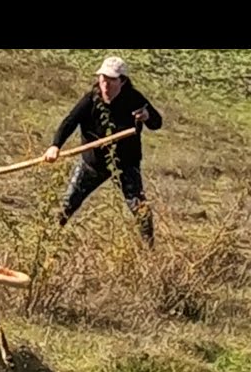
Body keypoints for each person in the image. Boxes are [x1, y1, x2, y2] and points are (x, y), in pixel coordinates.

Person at [43, 56, 163, 248]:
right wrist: (55, 146)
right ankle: (46, 243)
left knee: (140, 210)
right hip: (93, 164)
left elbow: (157, 123)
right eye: (103, 78)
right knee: (67, 204)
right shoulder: (92, 98)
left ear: (122, 81)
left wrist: (147, 117)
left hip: (125, 164)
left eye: (111, 80)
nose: (105, 84)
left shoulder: (134, 99)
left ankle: (150, 250)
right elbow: (70, 122)